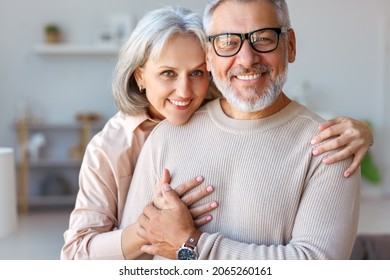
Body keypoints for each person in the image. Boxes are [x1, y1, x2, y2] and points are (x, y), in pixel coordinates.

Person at [62, 5, 370, 260]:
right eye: (227, 41)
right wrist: (152, 232)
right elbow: (131, 261)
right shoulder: (150, 138)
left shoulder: (332, 145)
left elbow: (318, 265)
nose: (247, 58)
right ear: (212, 55)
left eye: (263, 38)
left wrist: (190, 243)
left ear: (289, 45)